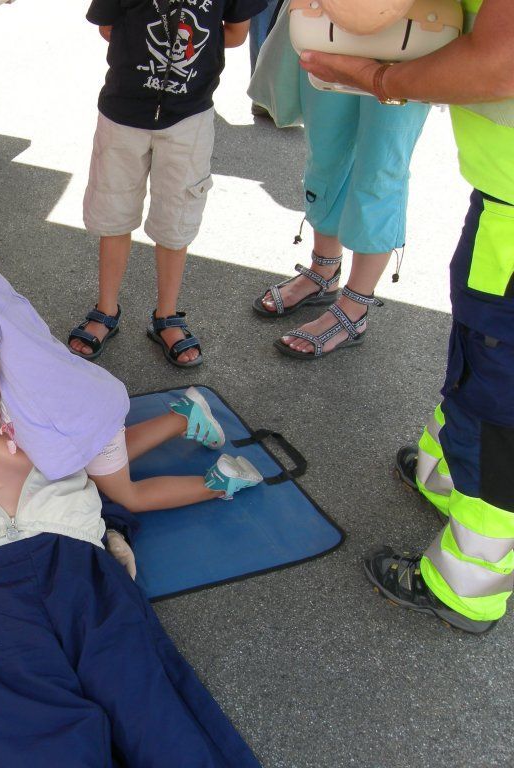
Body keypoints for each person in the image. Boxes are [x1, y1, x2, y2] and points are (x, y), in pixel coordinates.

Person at [0, 370, 261, 767]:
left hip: (71, 553)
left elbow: (96, 475)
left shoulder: (26, 404)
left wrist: (110, 528)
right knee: (30, 728)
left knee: (144, 697)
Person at [298, 0, 514, 633]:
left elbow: (499, 61)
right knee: (478, 356)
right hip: (502, 198)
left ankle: (467, 587)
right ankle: (444, 472)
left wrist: (381, 81)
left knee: (501, 403)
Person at [0, 228, 264, 512]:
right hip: (82, 395)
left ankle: (220, 482)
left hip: (73, 418)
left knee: (126, 495)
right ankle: (184, 418)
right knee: (104, 453)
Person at [67, 0, 266, 368]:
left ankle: (167, 315)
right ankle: (106, 309)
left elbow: (236, 34)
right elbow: (107, 27)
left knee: (177, 218)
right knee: (113, 212)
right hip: (122, 114)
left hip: (188, 117)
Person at [251, 2, 431, 360]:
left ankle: (355, 306)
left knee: (381, 168)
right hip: (330, 18)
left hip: (413, 26)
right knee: (326, 152)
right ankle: (324, 269)